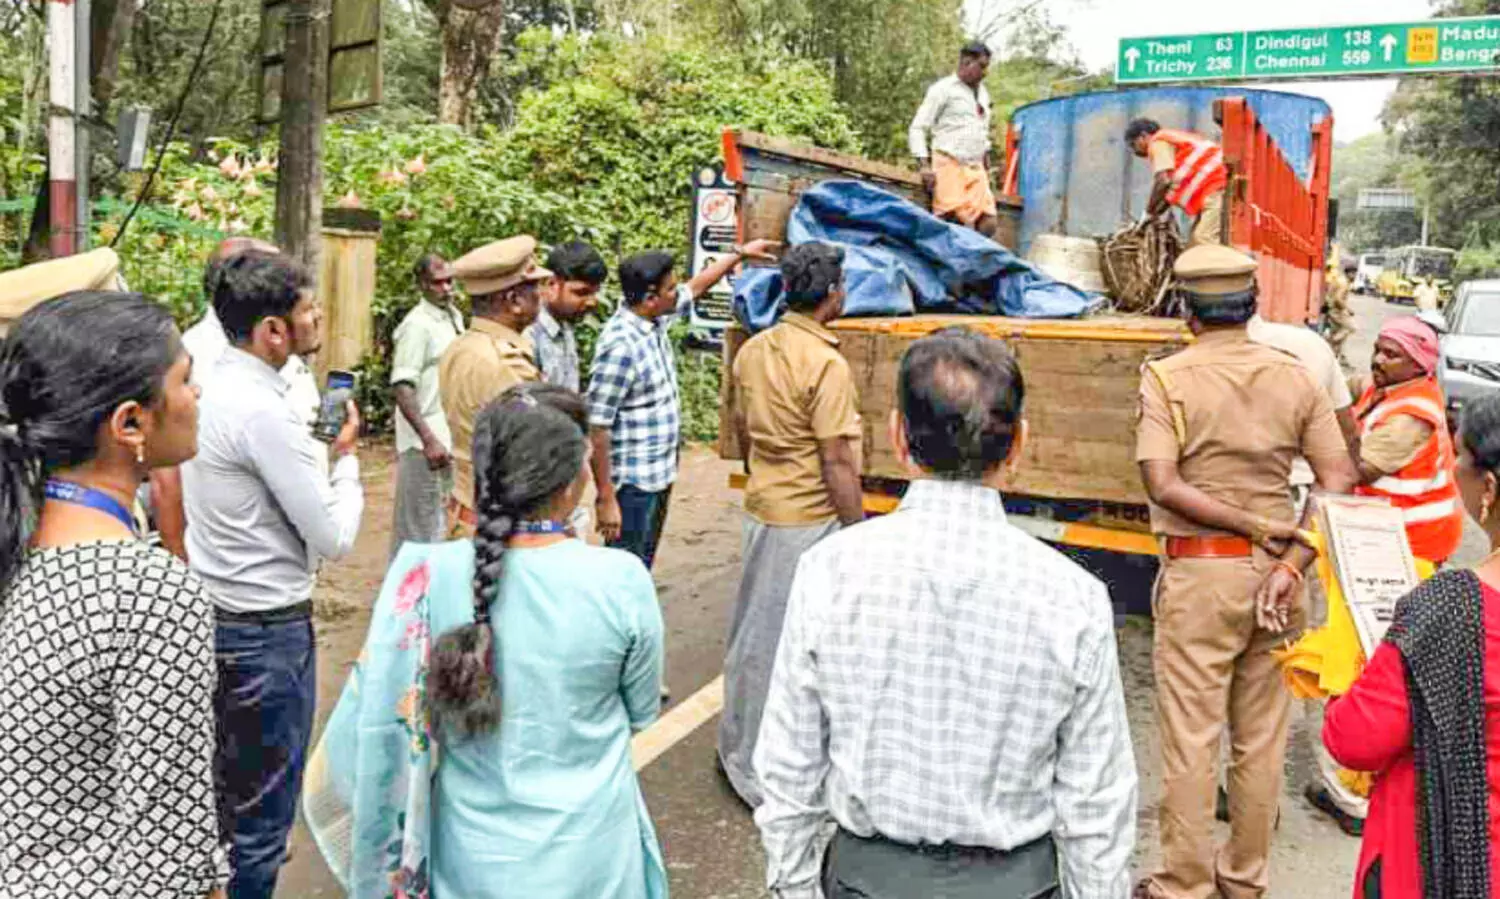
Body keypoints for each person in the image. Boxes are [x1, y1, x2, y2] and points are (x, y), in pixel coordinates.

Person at [755, 328, 1138, 899]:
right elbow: (1097, 800)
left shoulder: (829, 571)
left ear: (898, 438)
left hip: (867, 880)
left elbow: (790, 765)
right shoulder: (1072, 595)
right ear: (1017, 446)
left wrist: (793, 886)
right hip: (1019, 885)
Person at [302, 383, 667, 899]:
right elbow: (641, 711)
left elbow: (375, 727)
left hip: (469, 865)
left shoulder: (425, 576)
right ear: (572, 480)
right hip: (593, 860)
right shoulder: (622, 581)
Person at [1133, 244, 1358, 899]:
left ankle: (1183, 884)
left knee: (1192, 739)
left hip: (1202, 578)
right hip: (1280, 584)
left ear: (1186, 311)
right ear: (1253, 306)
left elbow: (1161, 482)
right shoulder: (1295, 375)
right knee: (1261, 742)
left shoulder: (1166, 377)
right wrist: (1290, 559)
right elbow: (1338, 477)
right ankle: (1244, 880)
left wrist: (1250, 527)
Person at [0, 291, 228, 897]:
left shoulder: (18, 547)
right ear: (130, 423)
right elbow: (169, 859)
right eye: (185, 379)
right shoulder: (146, 592)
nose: (196, 395)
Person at [182, 251, 365, 899]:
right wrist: (343, 460)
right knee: (261, 819)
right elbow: (335, 536)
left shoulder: (203, 386)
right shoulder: (264, 412)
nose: (318, 319)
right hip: (266, 635)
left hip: (213, 616)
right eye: (309, 310)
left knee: (217, 807)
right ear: (273, 331)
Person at [1322, 391, 1500, 899]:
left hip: (1443, 867)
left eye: (1457, 458)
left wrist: (1355, 674)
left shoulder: (1452, 608)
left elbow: (1355, 738)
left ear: (1487, 486)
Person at [718, 242, 865, 808]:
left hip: (764, 505)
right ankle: (757, 766)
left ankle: (742, 746)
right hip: (807, 517)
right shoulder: (825, 363)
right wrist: (857, 531)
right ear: (832, 295)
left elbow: (744, 427)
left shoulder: (754, 350)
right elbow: (836, 460)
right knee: (783, 644)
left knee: (754, 633)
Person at [588, 239, 778, 569]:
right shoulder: (620, 346)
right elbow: (598, 425)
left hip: (659, 472)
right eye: (671, 290)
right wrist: (606, 498)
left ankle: (638, 620)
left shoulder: (653, 319)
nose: (679, 295)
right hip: (633, 482)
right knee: (623, 570)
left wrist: (740, 254)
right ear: (650, 299)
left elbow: (696, 288)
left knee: (642, 562)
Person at [438, 236, 551, 537]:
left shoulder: (462, 347)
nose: (541, 295)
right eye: (534, 288)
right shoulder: (506, 364)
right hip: (501, 528)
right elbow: (539, 450)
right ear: (514, 301)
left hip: (467, 509)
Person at [1349, 317, 1464, 566]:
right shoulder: (1388, 384)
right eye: (1377, 350)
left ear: (1417, 365)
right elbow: (1349, 385)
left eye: (1391, 355)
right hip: (1393, 531)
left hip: (1413, 541)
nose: (1378, 360)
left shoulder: (1411, 416)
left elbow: (1359, 472)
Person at [390, 254, 464, 554]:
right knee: (417, 531)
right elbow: (402, 386)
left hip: (446, 438)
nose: (446, 288)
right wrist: (428, 439)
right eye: (438, 282)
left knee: (439, 524)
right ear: (422, 284)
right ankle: (403, 599)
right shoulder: (417, 325)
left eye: (449, 280)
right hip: (424, 444)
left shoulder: (452, 316)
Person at [909, 41, 999, 238]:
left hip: (975, 166)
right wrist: (924, 165)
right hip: (949, 161)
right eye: (982, 66)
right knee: (952, 220)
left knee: (989, 223)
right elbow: (918, 127)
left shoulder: (983, 93)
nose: (985, 72)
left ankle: (974, 263)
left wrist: (986, 167)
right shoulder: (943, 89)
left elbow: (981, 131)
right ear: (966, 62)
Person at [1126, 118, 1229, 247]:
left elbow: (1163, 182)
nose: (1135, 152)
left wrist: (1148, 213)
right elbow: (1166, 194)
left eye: (1133, 145)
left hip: (1215, 188)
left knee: (1204, 239)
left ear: (1143, 136)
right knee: (1193, 247)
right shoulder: (1174, 140)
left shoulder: (1158, 142)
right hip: (1215, 188)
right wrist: (1152, 216)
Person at [527, 240, 608, 392]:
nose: (592, 302)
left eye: (595, 293)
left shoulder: (565, 324)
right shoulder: (529, 336)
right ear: (551, 284)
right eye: (581, 292)